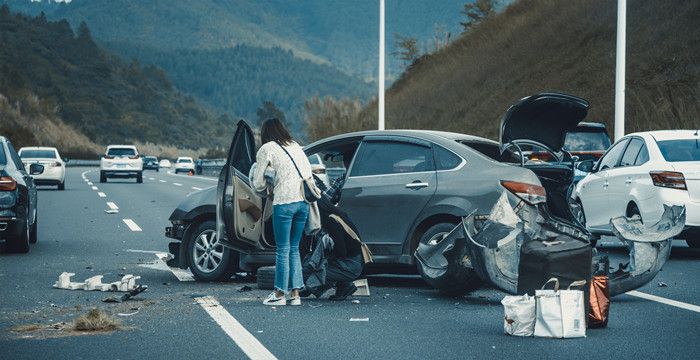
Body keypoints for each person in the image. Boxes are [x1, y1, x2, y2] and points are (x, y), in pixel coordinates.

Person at [252, 118, 313, 306]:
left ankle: (279, 294)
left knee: (282, 249)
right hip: (303, 203)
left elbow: (258, 183)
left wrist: (270, 181)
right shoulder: (296, 145)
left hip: (284, 202)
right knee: (294, 248)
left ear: (265, 133)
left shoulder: (267, 148)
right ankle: (295, 294)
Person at [302, 196, 364, 301]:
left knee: (311, 272)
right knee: (313, 265)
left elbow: (341, 252)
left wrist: (324, 257)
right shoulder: (336, 215)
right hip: (354, 261)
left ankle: (343, 284)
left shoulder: (331, 221)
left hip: (351, 265)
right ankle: (344, 285)